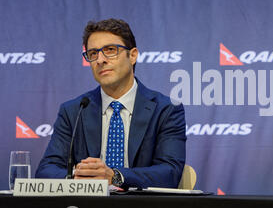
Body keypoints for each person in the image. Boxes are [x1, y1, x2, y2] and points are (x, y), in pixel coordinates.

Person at [36, 18, 186, 189]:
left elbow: (170, 172)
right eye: (93, 53)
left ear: (133, 55)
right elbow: (46, 170)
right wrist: (77, 178)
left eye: (110, 50)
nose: (100, 60)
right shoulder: (74, 110)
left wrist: (114, 176)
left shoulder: (165, 109)